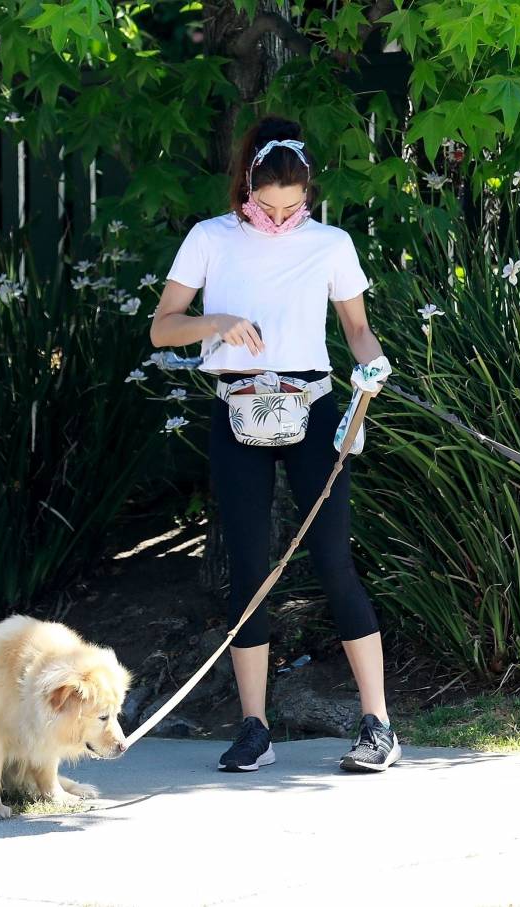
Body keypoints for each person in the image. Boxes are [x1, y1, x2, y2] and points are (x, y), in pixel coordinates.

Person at [148, 114, 399, 773]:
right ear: (247, 186)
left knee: (332, 558)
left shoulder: (332, 244)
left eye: (295, 206)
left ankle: (378, 723)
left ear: (309, 193)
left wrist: (372, 370)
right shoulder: (210, 240)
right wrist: (218, 322)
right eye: (269, 205)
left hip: (313, 411)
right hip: (238, 414)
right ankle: (254, 726)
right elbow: (162, 328)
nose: (282, 217)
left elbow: (358, 330)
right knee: (250, 569)